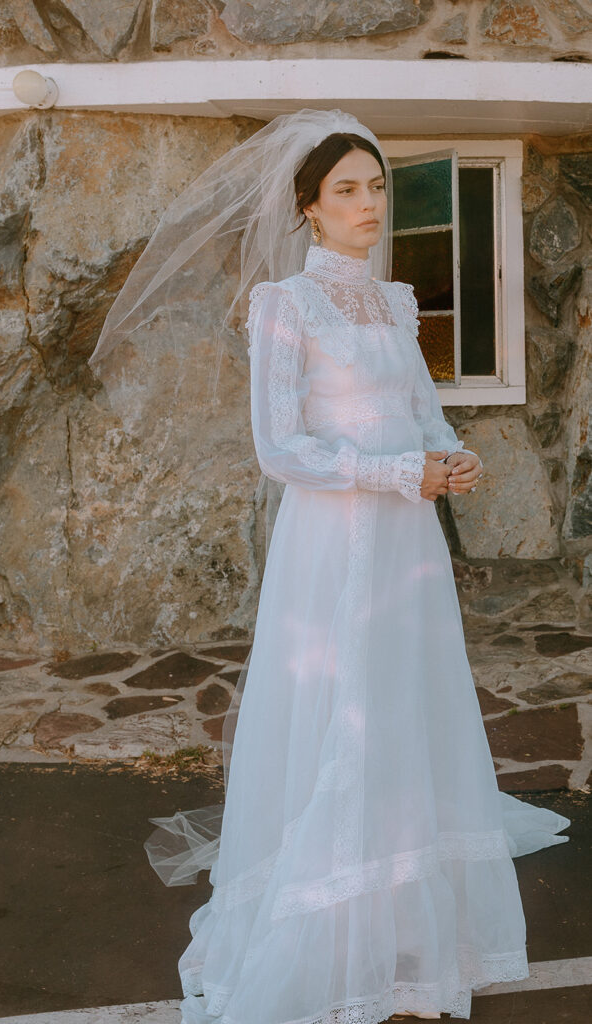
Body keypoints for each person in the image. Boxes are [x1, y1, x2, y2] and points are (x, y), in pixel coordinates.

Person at [88, 110, 570, 1024]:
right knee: (347, 709)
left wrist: (448, 453)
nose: (367, 203)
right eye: (346, 189)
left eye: (376, 186)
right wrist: (398, 472)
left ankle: (412, 943)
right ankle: (334, 946)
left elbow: (419, 407)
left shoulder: (392, 301)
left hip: (405, 542)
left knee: (407, 704)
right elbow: (281, 448)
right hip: (335, 540)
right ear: (307, 208)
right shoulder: (285, 305)